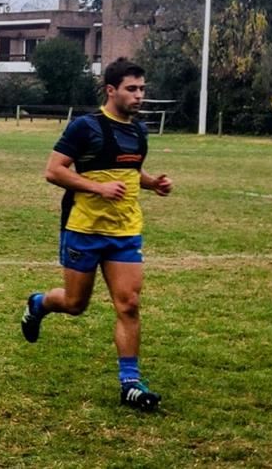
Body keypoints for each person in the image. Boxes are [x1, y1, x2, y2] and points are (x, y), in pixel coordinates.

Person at [20, 58, 174, 412]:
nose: (139, 96)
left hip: (125, 231)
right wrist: (96, 189)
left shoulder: (139, 132)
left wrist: (155, 184)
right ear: (111, 90)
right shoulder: (84, 127)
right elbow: (53, 171)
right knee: (75, 305)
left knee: (129, 304)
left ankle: (130, 384)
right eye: (131, 89)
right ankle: (38, 304)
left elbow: (132, 171)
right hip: (84, 229)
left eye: (142, 89)